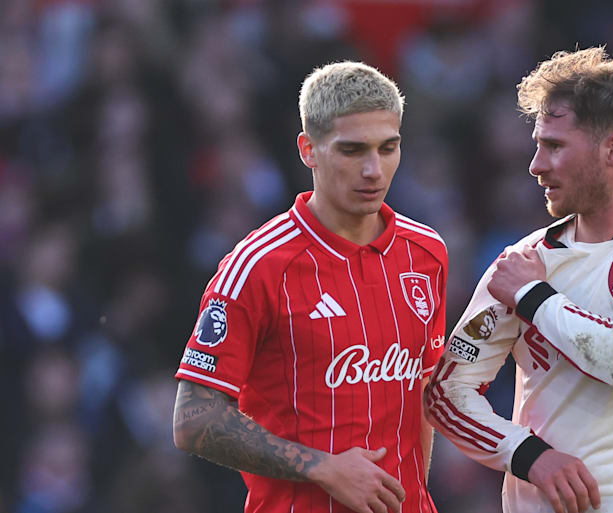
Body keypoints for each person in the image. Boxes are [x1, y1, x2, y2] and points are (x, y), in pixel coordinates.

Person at [425, 47, 613, 513]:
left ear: (612, 150)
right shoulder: (523, 260)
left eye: (554, 146)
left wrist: (533, 297)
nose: (535, 165)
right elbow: (447, 395)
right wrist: (529, 456)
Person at [172, 61, 448, 513]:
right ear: (308, 150)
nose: (374, 170)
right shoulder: (257, 267)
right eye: (353, 150)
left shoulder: (427, 252)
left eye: (388, 147)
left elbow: (421, 392)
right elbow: (192, 419)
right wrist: (321, 467)